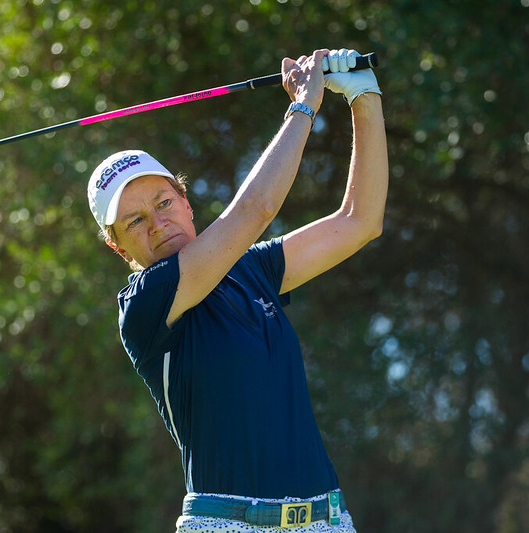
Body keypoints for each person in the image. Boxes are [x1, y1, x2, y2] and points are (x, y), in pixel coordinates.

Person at [87, 48, 387, 532]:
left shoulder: (254, 269)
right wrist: (303, 106)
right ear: (119, 247)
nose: (158, 224)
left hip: (324, 520)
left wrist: (363, 96)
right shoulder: (144, 305)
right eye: (134, 221)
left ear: (186, 201)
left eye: (164, 201)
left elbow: (360, 221)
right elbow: (256, 209)